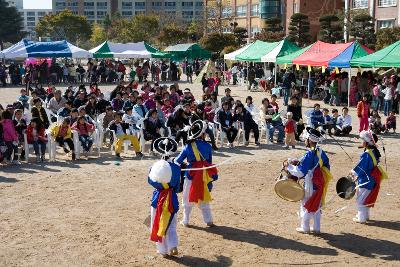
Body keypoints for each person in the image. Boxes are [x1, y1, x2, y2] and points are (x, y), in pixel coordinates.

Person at [287, 127, 332, 234]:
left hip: (310, 183)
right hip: (320, 182)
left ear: (310, 140)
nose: (305, 140)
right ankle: (317, 228)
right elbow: (326, 165)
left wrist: (288, 167)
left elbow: (300, 172)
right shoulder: (320, 151)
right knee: (317, 204)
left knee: (305, 203)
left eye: (306, 139)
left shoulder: (309, 154)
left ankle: (305, 228)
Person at [175, 120, 218, 227]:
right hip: (203, 175)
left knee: (186, 197)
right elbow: (209, 163)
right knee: (204, 197)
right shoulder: (208, 146)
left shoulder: (188, 146)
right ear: (202, 134)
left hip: (190, 174)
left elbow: (178, 161)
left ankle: (185, 220)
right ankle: (209, 220)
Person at [148, 137, 181, 257]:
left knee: (156, 222)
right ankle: (173, 245)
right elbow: (178, 187)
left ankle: (162, 250)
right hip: (171, 198)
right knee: (171, 224)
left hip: (158, 198)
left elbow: (150, 181)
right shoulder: (177, 168)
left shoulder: (154, 167)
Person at [350, 130, 388, 223]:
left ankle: (361, 218)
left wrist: (353, 173)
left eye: (363, 140)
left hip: (365, 180)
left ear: (367, 142)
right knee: (366, 199)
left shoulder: (366, 154)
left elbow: (362, 168)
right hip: (372, 179)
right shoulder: (374, 152)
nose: (361, 142)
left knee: (360, 200)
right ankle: (365, 216)